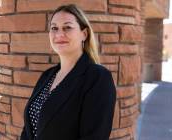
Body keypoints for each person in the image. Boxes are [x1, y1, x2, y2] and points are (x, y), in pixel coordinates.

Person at [20, 4, 116, 140]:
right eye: (54, 28)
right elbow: (28, 129)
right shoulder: (47, 76)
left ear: (84, 34)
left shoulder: (97, 77)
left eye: (67, 27)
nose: (59, 34)